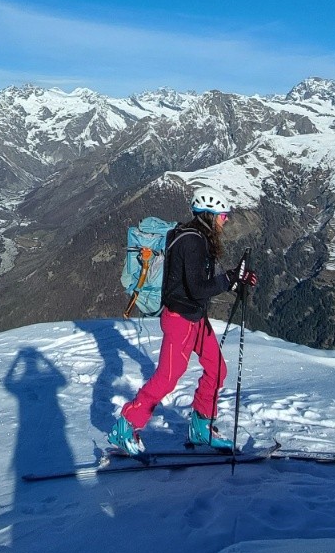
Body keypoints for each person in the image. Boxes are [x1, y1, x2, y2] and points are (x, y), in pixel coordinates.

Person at [109, 187, 257, 455]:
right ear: (210, 215)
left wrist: (235, 280)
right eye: (223, 216)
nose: (225, 221)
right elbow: (198, 288)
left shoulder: (198, 238)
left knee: (217, 369)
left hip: (195, 318)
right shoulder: (192, 242)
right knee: (167, 378)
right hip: (180, 319)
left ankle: (201, 428)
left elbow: (199, 284)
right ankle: (126, 426)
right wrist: (229, 279)